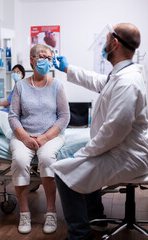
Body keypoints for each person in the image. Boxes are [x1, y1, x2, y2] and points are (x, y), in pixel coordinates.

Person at [51, 23, 148, 240]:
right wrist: (68, 68)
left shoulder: (127, 82)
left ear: (114, 43)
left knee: (63, 172)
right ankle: (97, 217)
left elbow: (114, 131)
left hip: (128, 155)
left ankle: (80, 234)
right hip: (120, 149)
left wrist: (86, 152)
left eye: (105, 42)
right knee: (82, 167)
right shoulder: (120, 75)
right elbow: (97, 81)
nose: (103, 47)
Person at [8, 44, 70, 234]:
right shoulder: (20, 86)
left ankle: (50, 212)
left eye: (48, 58)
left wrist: (45, 137)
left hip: (50, 136)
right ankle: (24, 213)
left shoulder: (57, 86)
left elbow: (64, 116)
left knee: (47, 159)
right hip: (24, 135)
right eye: (41, 57)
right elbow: (12, 116)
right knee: (19, 160)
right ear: (32, 60)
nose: (45, 61)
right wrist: (25, 137)